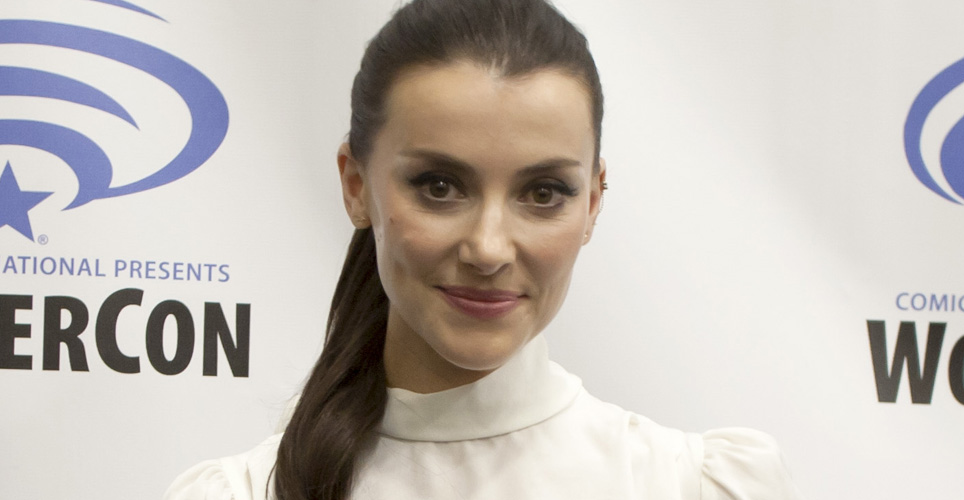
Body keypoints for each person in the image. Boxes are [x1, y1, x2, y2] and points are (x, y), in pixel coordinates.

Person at [165, 0, 801, 498]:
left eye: (543, 192)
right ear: (356, 186)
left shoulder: (692, 487)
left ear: (593, 202)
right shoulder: (242, 493)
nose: (489, 249)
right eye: (439, 187)